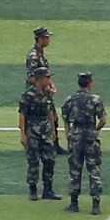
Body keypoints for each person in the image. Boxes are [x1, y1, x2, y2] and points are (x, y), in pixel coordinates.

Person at [61, 72, 107, 215]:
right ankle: (95, 204)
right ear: (89, 83)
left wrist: (69, 135)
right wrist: (95, 130)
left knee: (75, 170)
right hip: (90, 137)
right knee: (93, 170)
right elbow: (103, 119)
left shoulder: (70, 99)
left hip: (75, 136)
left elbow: (65, 119)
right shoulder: (95, 99)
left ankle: (74, 203)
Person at [19, 67, 61, 201]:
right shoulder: (28, 94)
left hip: (46, 130)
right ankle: (33, 190)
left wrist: (53, 131)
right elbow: (22, 114)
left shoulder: (47, 93)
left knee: (49, 160)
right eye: (47, 78)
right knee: (33, 161)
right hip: (33, 131)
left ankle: (48, 190)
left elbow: (49, 112)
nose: (49, 80)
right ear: (39, 79)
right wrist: (23, 134)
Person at [25, 26, 66, 155]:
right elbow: (32, 77)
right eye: (46, 37)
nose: (48, 40)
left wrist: (50, 84)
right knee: (36, 119)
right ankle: (34, 145)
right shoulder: (33, 56)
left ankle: (55, 144)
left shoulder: (41, 53)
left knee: (53, 117)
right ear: (40, 39)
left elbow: (45, 74)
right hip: (36, 93)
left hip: (44, 91)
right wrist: (47, 86)